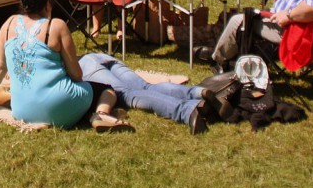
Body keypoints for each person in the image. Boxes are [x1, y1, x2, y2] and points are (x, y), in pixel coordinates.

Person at [0, 0, 130, 131]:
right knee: (107, 90)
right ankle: (101, 114)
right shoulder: (56, 26)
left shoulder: (8, 24)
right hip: (58, 106)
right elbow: (76, 75)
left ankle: (79, 113)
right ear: (47, 4)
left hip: (21, 111)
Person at [79, 53, 225, 134]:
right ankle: (198, 93)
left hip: (85, 66)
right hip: (102, 56)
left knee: (127, 95)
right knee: (145, 87)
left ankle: (187, 110)